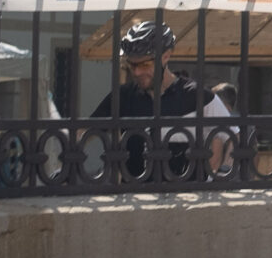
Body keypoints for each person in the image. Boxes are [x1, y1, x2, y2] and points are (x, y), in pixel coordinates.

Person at [87, 18, 215, 180]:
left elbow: (233, 137)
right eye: (132, 65)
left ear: (166, 56)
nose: (137, 72)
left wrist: (212, 178)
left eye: (144, 65)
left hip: (186, 198)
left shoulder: (198, 96)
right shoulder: (123, 96)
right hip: (135, 197)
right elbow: (85, 131)